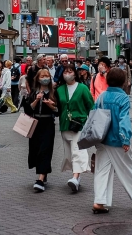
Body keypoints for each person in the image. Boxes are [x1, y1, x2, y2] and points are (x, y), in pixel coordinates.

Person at [92, 68, 132, 214]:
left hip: (102, 139)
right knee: (128, 167)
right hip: (117, 140)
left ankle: (99, 201)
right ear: (123, 82)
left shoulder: (103, 96)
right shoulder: (123, 98)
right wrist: (125, 139)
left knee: (101, 170)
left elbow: (93, 114)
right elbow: (124, 120)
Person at [57, 65, 94, 193]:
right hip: (65, 124)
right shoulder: (59, 89)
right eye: (65, 72)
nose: (68, 74)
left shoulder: (83, 88)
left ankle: (75, 177)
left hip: (80, 124)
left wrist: (92, 123)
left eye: (70, 71)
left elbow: (91, 105)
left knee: (78, 150)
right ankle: (77, 178)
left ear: (75, 73)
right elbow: (58, 108)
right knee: (69, 153)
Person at [23, 69, 58, 192]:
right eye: (42, 76)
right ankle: (43, 173)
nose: (45, 78)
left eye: (47, 76)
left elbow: (58, 111)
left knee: (45, 149)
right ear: (38, 78)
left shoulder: (54, 92)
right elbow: (28, 109)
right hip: (35, 124)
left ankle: (41, 179)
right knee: (36, 150)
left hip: (48, 124)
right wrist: (37, 99)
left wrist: (50, 105)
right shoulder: (33, 92)